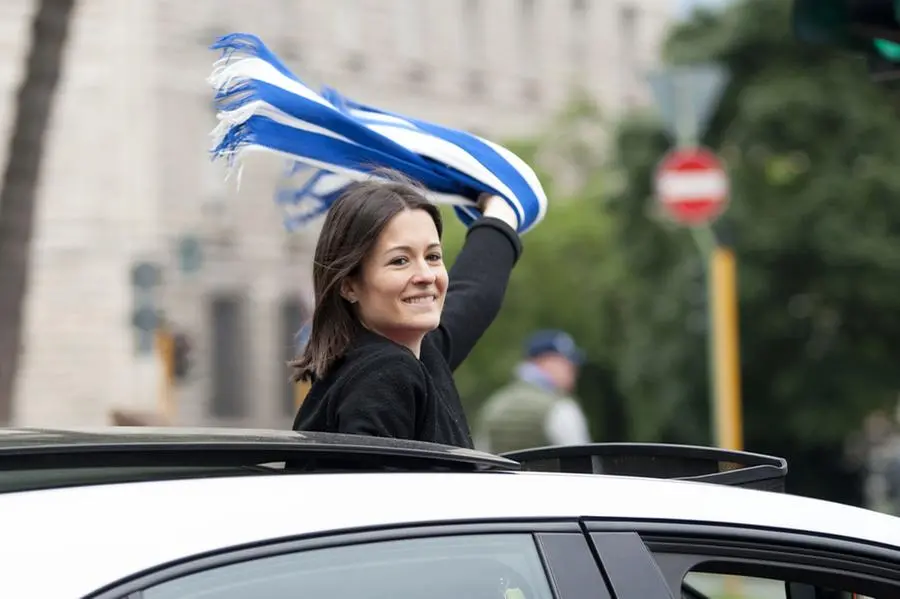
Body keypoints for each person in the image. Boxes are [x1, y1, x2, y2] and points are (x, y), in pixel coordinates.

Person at [290, 172, 522, 448]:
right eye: (400, 261)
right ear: (348, 285)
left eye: (433, 256)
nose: (426, 275)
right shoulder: (387, 372)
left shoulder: (415, 356)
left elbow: (476, 293)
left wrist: (500, 211)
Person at [475, 330, 591, 454]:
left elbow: (482, 456)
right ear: (546, 361)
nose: (574, 370)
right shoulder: (561, 407)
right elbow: (582, 462)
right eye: (567, 362)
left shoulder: (496, 402)